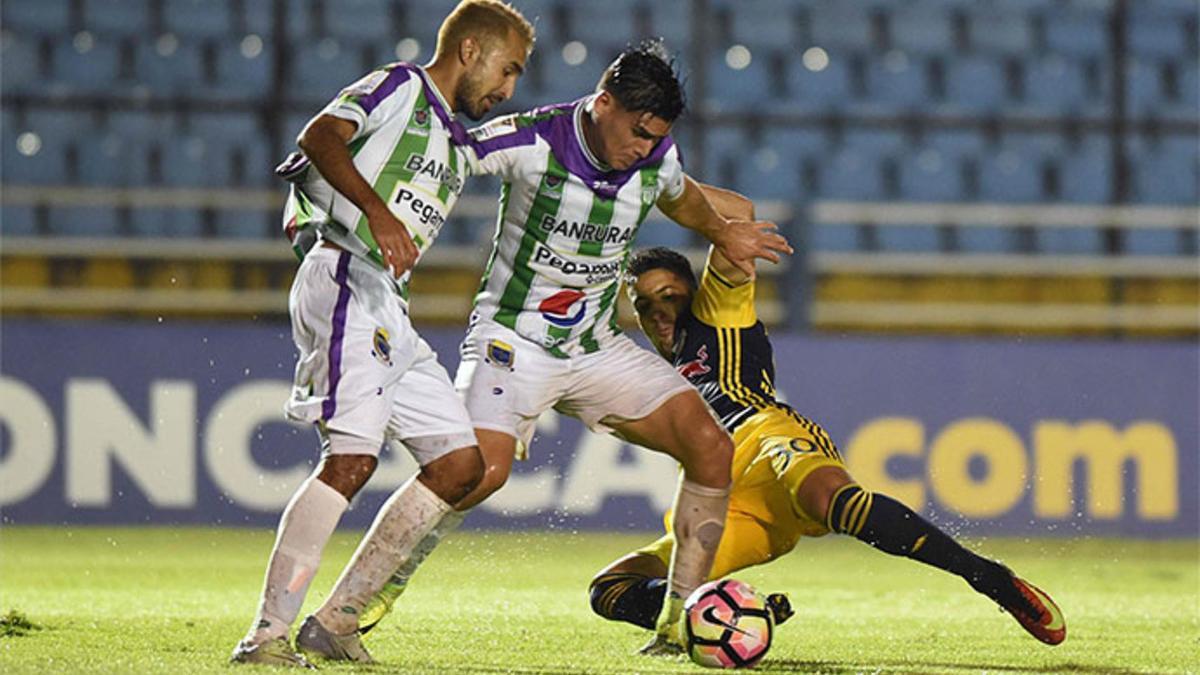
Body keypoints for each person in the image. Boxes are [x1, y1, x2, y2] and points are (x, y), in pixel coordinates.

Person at [352, 40, 794, 654]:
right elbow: (448, 155)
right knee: (475, 474)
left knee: (710, 446)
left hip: (594, 346)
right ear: (602, 102)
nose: (643, 148)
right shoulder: (531, 140)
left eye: (654, 138)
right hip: (514, 341)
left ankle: (675, 625)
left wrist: (723, 230)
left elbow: (681, 193)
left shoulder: (655, 156)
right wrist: (367, 198)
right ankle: (351, 608)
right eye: (637, 132)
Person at [585, 186, 1068, 650]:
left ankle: (986, 576)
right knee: (610, 588)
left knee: (830, 499)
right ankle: (734, 615)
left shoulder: (717, 314)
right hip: (721, 498)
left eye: (670, 296)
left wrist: (647, 182)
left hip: (765, 438)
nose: (660, 313)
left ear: (694, 293)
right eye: (646, 305)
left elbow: (738, 210)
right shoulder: (653, 368)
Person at [229, 1, 535, 667]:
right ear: (470, 50)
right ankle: (266, 634)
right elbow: (318, 137)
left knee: (461, 466)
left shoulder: (454, 138)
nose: (509, 88)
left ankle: (335, 622)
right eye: (507, 70)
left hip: (387, 302)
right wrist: (372, 212)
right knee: (351, 458)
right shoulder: (401, 85)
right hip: (344, 276)